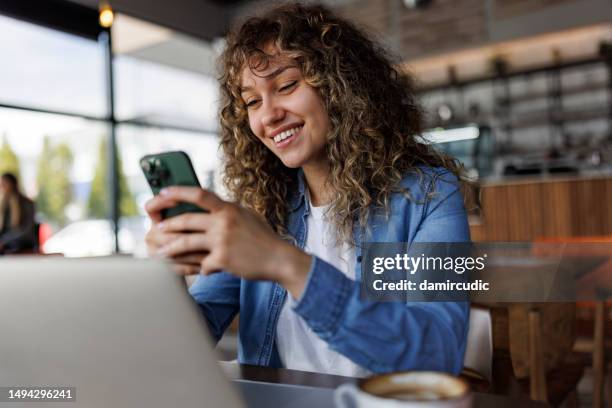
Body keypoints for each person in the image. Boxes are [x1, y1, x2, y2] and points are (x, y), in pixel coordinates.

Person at [145, 2, 470, 377]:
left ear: (341, 87)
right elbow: (189, 337)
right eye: (252, 102)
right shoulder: (260, 210)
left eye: (286, 86)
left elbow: (439, 353)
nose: (267, 116)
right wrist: (164, 279)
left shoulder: (430, 196)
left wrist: (285, 264)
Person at [0, 172, 37, 254]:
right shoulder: (3, 204)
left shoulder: (26, 203)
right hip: (6, 244)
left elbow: (26, 230)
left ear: (12, 184)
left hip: (21, 244)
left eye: (4, 183)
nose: (1, 186)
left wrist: (4, 241)